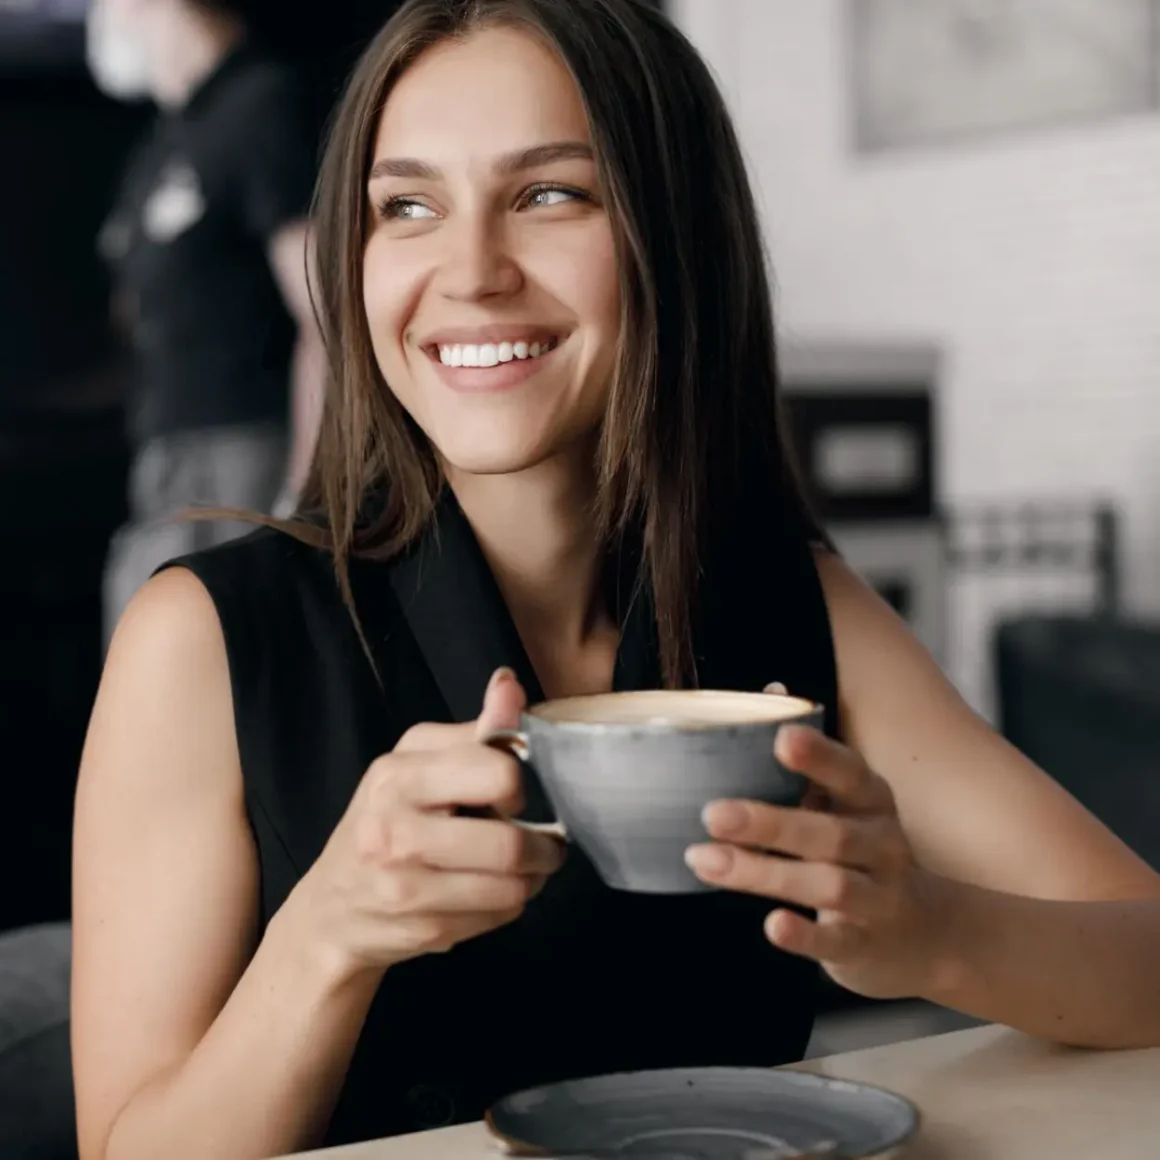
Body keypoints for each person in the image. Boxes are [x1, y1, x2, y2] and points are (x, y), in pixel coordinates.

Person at [71, 0, 1160, 1157]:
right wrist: (327, 933)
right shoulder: (201, 637)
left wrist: (928, 929)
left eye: (548, 194)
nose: (470, 271)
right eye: (407, 206)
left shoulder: (791, 605)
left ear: (673, 234)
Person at [88, 0, 326, 648]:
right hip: (165, 463)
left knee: (220, 672)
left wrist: (299, 505)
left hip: (243, 458)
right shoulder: (166, 138)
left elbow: (325, 318)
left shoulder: (262, 105)